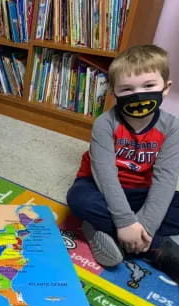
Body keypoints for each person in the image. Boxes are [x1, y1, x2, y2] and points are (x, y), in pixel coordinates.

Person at [67, 45, 179, 283]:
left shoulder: (173, 127)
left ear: (166, 88)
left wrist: (144, 225)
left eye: (149, 86)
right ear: (114, 93)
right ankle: (156, 249)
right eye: (127, 89)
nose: (138, 94)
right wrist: (126, 222)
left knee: (168, 201)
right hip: (99, 188)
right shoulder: (105, 123)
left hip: (141, 191)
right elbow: (105, 175)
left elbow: (166, 178)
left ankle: (106, 232)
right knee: (78, 199)